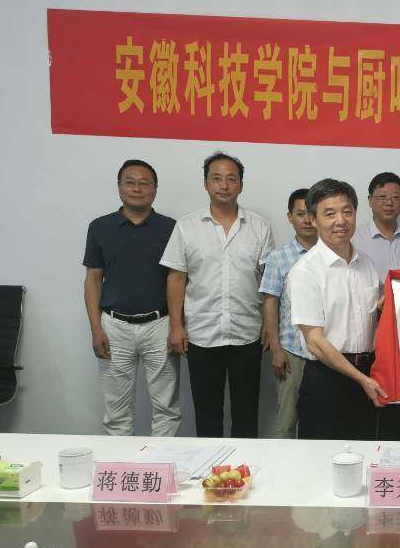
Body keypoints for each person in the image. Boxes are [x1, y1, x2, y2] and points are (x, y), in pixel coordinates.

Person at [160, 152, 274, 438]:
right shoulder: (186, 227)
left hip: (247, 333)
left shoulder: (259, 227)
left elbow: (269, 282)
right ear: (206, 183)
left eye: (231, 179)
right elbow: (176, 278)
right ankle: (210, 464)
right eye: (217, 178)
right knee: (207, 411)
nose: (224, 185)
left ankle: (244, 465)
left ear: (241, 185)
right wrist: (176, 326)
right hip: (201, 334)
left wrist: (271, 326)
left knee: (246, 412)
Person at [83, 159, 180, 436]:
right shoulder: (100, 227)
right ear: (119, 187)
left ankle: (161, 462)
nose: (137, 189)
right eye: (130, 182)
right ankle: (121, 462)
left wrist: (177, 326)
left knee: (167, 410)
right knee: (117, 414)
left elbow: (178, 280)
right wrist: (96, 329)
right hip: (114, 326)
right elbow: (93, 280)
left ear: (155, 189)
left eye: (144, 183)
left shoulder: (172, 228)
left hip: (160, 324)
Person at [288, 178, 386, 440]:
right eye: (329, 214)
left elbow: (372, 320)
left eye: (347, 211)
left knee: (363, 453)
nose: (340, 220)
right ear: (313, 219)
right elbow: (315, 342)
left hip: (367, 374)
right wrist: (361, 380)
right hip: (326, 379)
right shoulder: (305, 271)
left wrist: (384, 309)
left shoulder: (367, 264)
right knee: (321, 458)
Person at [352, 172, 400, 440]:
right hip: (365, 335)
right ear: (370, 201)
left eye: (395, 197)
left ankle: (394, 457)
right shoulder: (354, 239)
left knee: (395, 407)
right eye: (382, 197)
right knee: (362, 410)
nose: (389, 203)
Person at [259, 189, 318, 439]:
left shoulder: (332, 254)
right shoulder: (278, 257)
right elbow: (270, 304)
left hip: (326, 352)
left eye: (312, 213)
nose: (307, 220)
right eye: (300, 214)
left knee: (320, 421)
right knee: (286, 421)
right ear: (289, 217)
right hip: (293, 350)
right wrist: (277, 350)